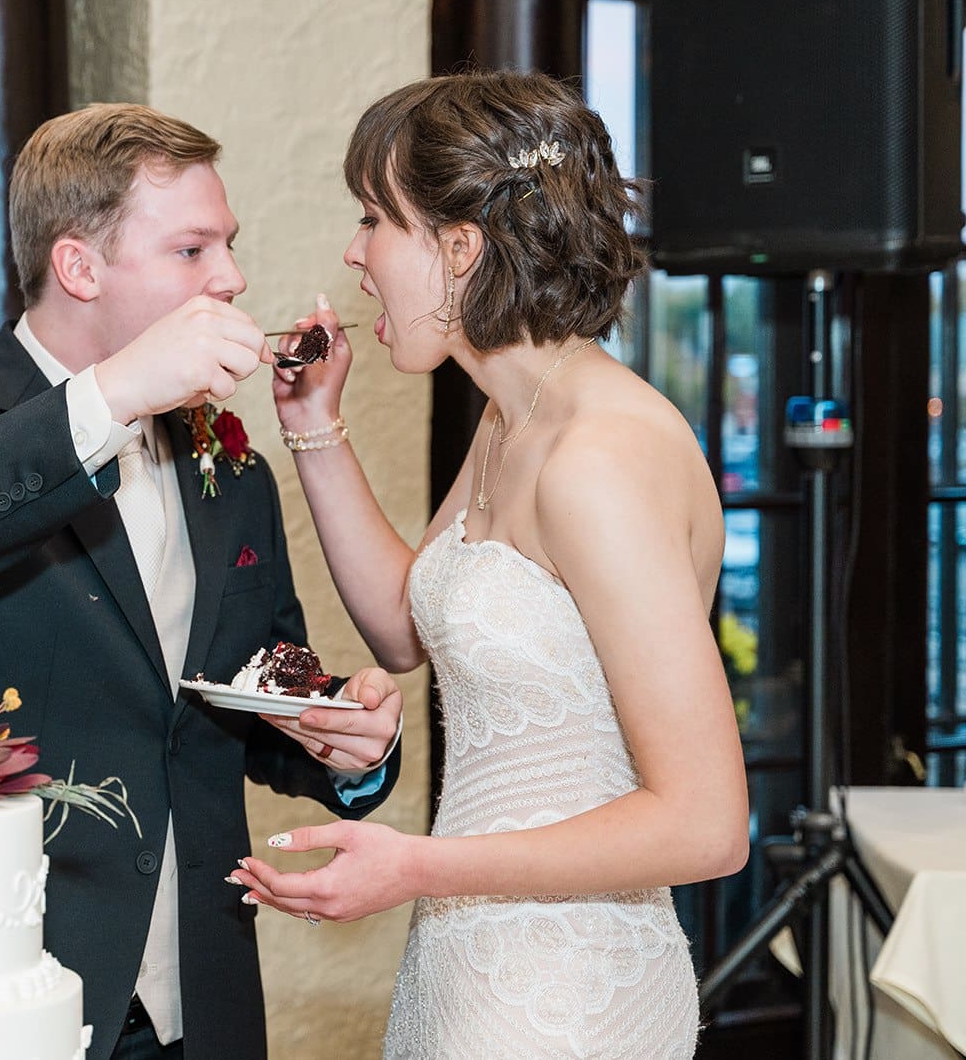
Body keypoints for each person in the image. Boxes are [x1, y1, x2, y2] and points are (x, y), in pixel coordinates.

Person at [0, 103, 405, 1060]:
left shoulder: (227, 464)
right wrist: (110, 395)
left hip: (198, 1001)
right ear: (79, 267)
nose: (232, 278)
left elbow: (252, 682)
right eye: (191, 250)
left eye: (231, 246)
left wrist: (344, 744)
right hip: (0, 991)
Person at [228, 72, 750, 1058]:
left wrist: (414, 864)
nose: (355, 252)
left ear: (459, 248)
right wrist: (314, 426)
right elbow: (401, 624)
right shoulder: (517, 413)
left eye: (376, 217)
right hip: (471, 957)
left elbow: (707, 821)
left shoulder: (600, 457)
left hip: (567, 988)